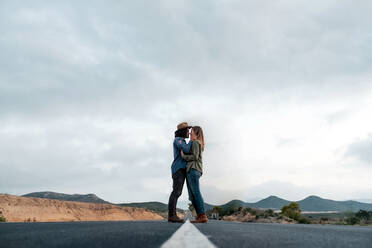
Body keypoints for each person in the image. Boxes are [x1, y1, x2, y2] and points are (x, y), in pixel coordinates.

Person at [181, 126, 207, 223]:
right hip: (193, 169)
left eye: (191, 132)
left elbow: (195, 157)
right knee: (192, 195)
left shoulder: (196, 142)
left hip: (193, 169)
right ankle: (199, 215)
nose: (190, 134)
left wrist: (184, 156)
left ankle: (202, 215)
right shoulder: (197, 143)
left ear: (196, 134)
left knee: (195, 193)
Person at [168, 122, 192, 223]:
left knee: (178, 192)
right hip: (178, 169)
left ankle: (172, 215)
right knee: (176, 192)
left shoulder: (182, 141)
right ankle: (172, 215)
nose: (189, 132)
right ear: (182, 131)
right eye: (187, 130)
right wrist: (192, 140)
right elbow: (186, 149)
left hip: (181, 169)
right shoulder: (178, 140)